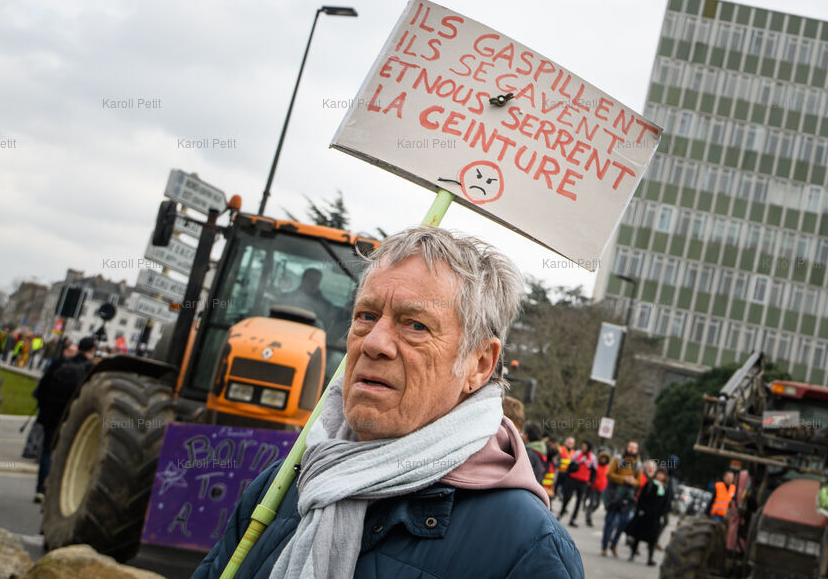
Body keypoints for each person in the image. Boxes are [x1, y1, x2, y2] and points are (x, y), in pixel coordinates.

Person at [192, 225, 583, 579]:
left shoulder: (527, 549)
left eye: (416, 325)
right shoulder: (282, 484)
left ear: (479, 364)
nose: (374, 343)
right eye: (366, 315)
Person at [32, 336, 95, 503]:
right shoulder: (90, 369)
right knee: (67, 454)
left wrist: (43, 407)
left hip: (51, 414)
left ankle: (40, 488)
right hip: (71, 418)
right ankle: (56, 491)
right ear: (91, 350)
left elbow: (42, 387)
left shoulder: (60, 363)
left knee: (47, 451)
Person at [600, 440, 642, 557]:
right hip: (614, 494)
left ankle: (614, 544)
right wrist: (624, 479)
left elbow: (638, 481)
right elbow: (609, 474)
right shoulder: (618, 459)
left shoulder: (637, 464)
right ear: (627, 447)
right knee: (609, 521)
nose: (632, 450)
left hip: (627, 497)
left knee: (624, 522)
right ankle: (604, 547)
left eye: (635, 448)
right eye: (630, 447)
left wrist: (633, 481)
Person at [626, 466, 672, 566]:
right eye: (659, 474)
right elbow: (642, 498)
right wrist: (642, 509)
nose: (660, 476)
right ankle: (632, 554)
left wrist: (661, 513)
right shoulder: (650, 484)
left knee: (653, 539)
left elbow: (666, 503)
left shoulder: (665, 487)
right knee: (638, 536)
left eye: (662, 474)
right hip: (645, 514)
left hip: (655, 517)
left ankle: (650, 558)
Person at [560, 439, 596, 526]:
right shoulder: (577, 453)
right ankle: (561, 513)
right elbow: (570, 465)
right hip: (573, 479)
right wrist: (568, 476)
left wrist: (590, 481)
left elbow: (594, 471)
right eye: (582, 445)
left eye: (585, 446)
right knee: (567, 497)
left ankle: (573, 519)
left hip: (583, 482)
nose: (583, 447)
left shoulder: (593, 458)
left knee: (579, 501)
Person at [583, 450, 610, 528]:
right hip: (594, 487)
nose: (603, 460)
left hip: (602, 488)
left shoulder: (607, 468)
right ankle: (588, 518)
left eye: (605, 458)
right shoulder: (596, 466)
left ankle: (589, 512)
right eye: (602, 458)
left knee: (597, 504)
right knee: (592, 502)